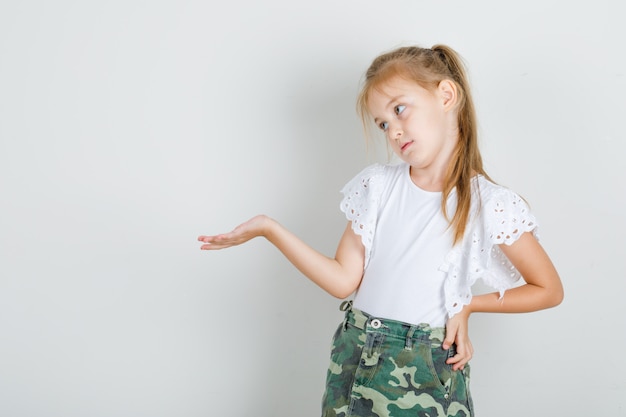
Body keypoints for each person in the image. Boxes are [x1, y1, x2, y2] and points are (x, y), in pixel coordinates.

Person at [197, 44, 563, 417]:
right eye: (384, 124)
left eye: (399, 109)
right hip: (356, 354)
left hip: (427, 367)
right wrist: (269, 229)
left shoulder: (490, 204)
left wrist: (469, 305)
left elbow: (548, 289)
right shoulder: (377, 187)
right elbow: (343, 281)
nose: (394, 131)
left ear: (446, 96)